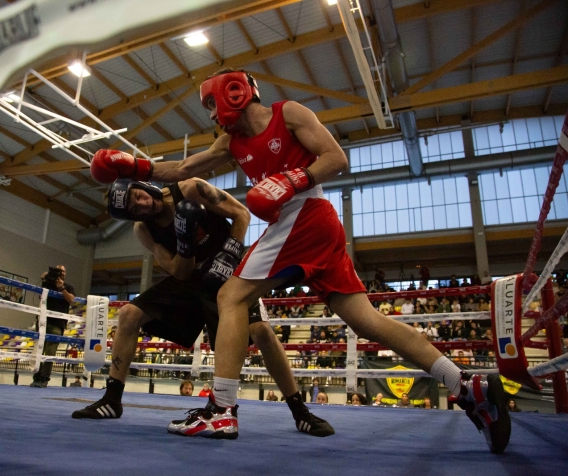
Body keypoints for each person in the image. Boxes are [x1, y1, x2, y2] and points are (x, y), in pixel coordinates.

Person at [90, 68, 511, 453]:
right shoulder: (230, 142)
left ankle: (220, 410)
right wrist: (133, 166)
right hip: (310, 225)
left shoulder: (287, 113)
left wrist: (293, 178)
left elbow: (335, 158)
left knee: (232, 296)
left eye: (211, 104)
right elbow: (182, 168)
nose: (212, 114)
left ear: (232, 93)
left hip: (306, 213)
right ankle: (466, 385)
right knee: (366, 321)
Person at [71, 178, 332, 438]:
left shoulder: (191, 189)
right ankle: (112, 399)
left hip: (228, 271)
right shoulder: (145, 230)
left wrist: (229, 254)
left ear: (141, 186)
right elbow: (178, 272)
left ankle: (300, 412)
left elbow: (241, 214)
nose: (141, 205)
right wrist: (185, 242)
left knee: (261, 331)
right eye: (133, 208)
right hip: (191, 277)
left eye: (136, 196)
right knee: (129, 314)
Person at [30, 265, 75, 388]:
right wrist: (45, 279)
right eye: (58, 271)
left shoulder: (68, 287)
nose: (60, 273)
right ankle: (36, 377)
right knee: (39, 350)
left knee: (50, 352)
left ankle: (44, 378)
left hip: (57, 324)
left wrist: (61, 288)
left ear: (65, 273)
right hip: (43, 321)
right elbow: (40, 296)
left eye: (62, 271)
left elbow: (71, 300)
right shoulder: (48, 285)